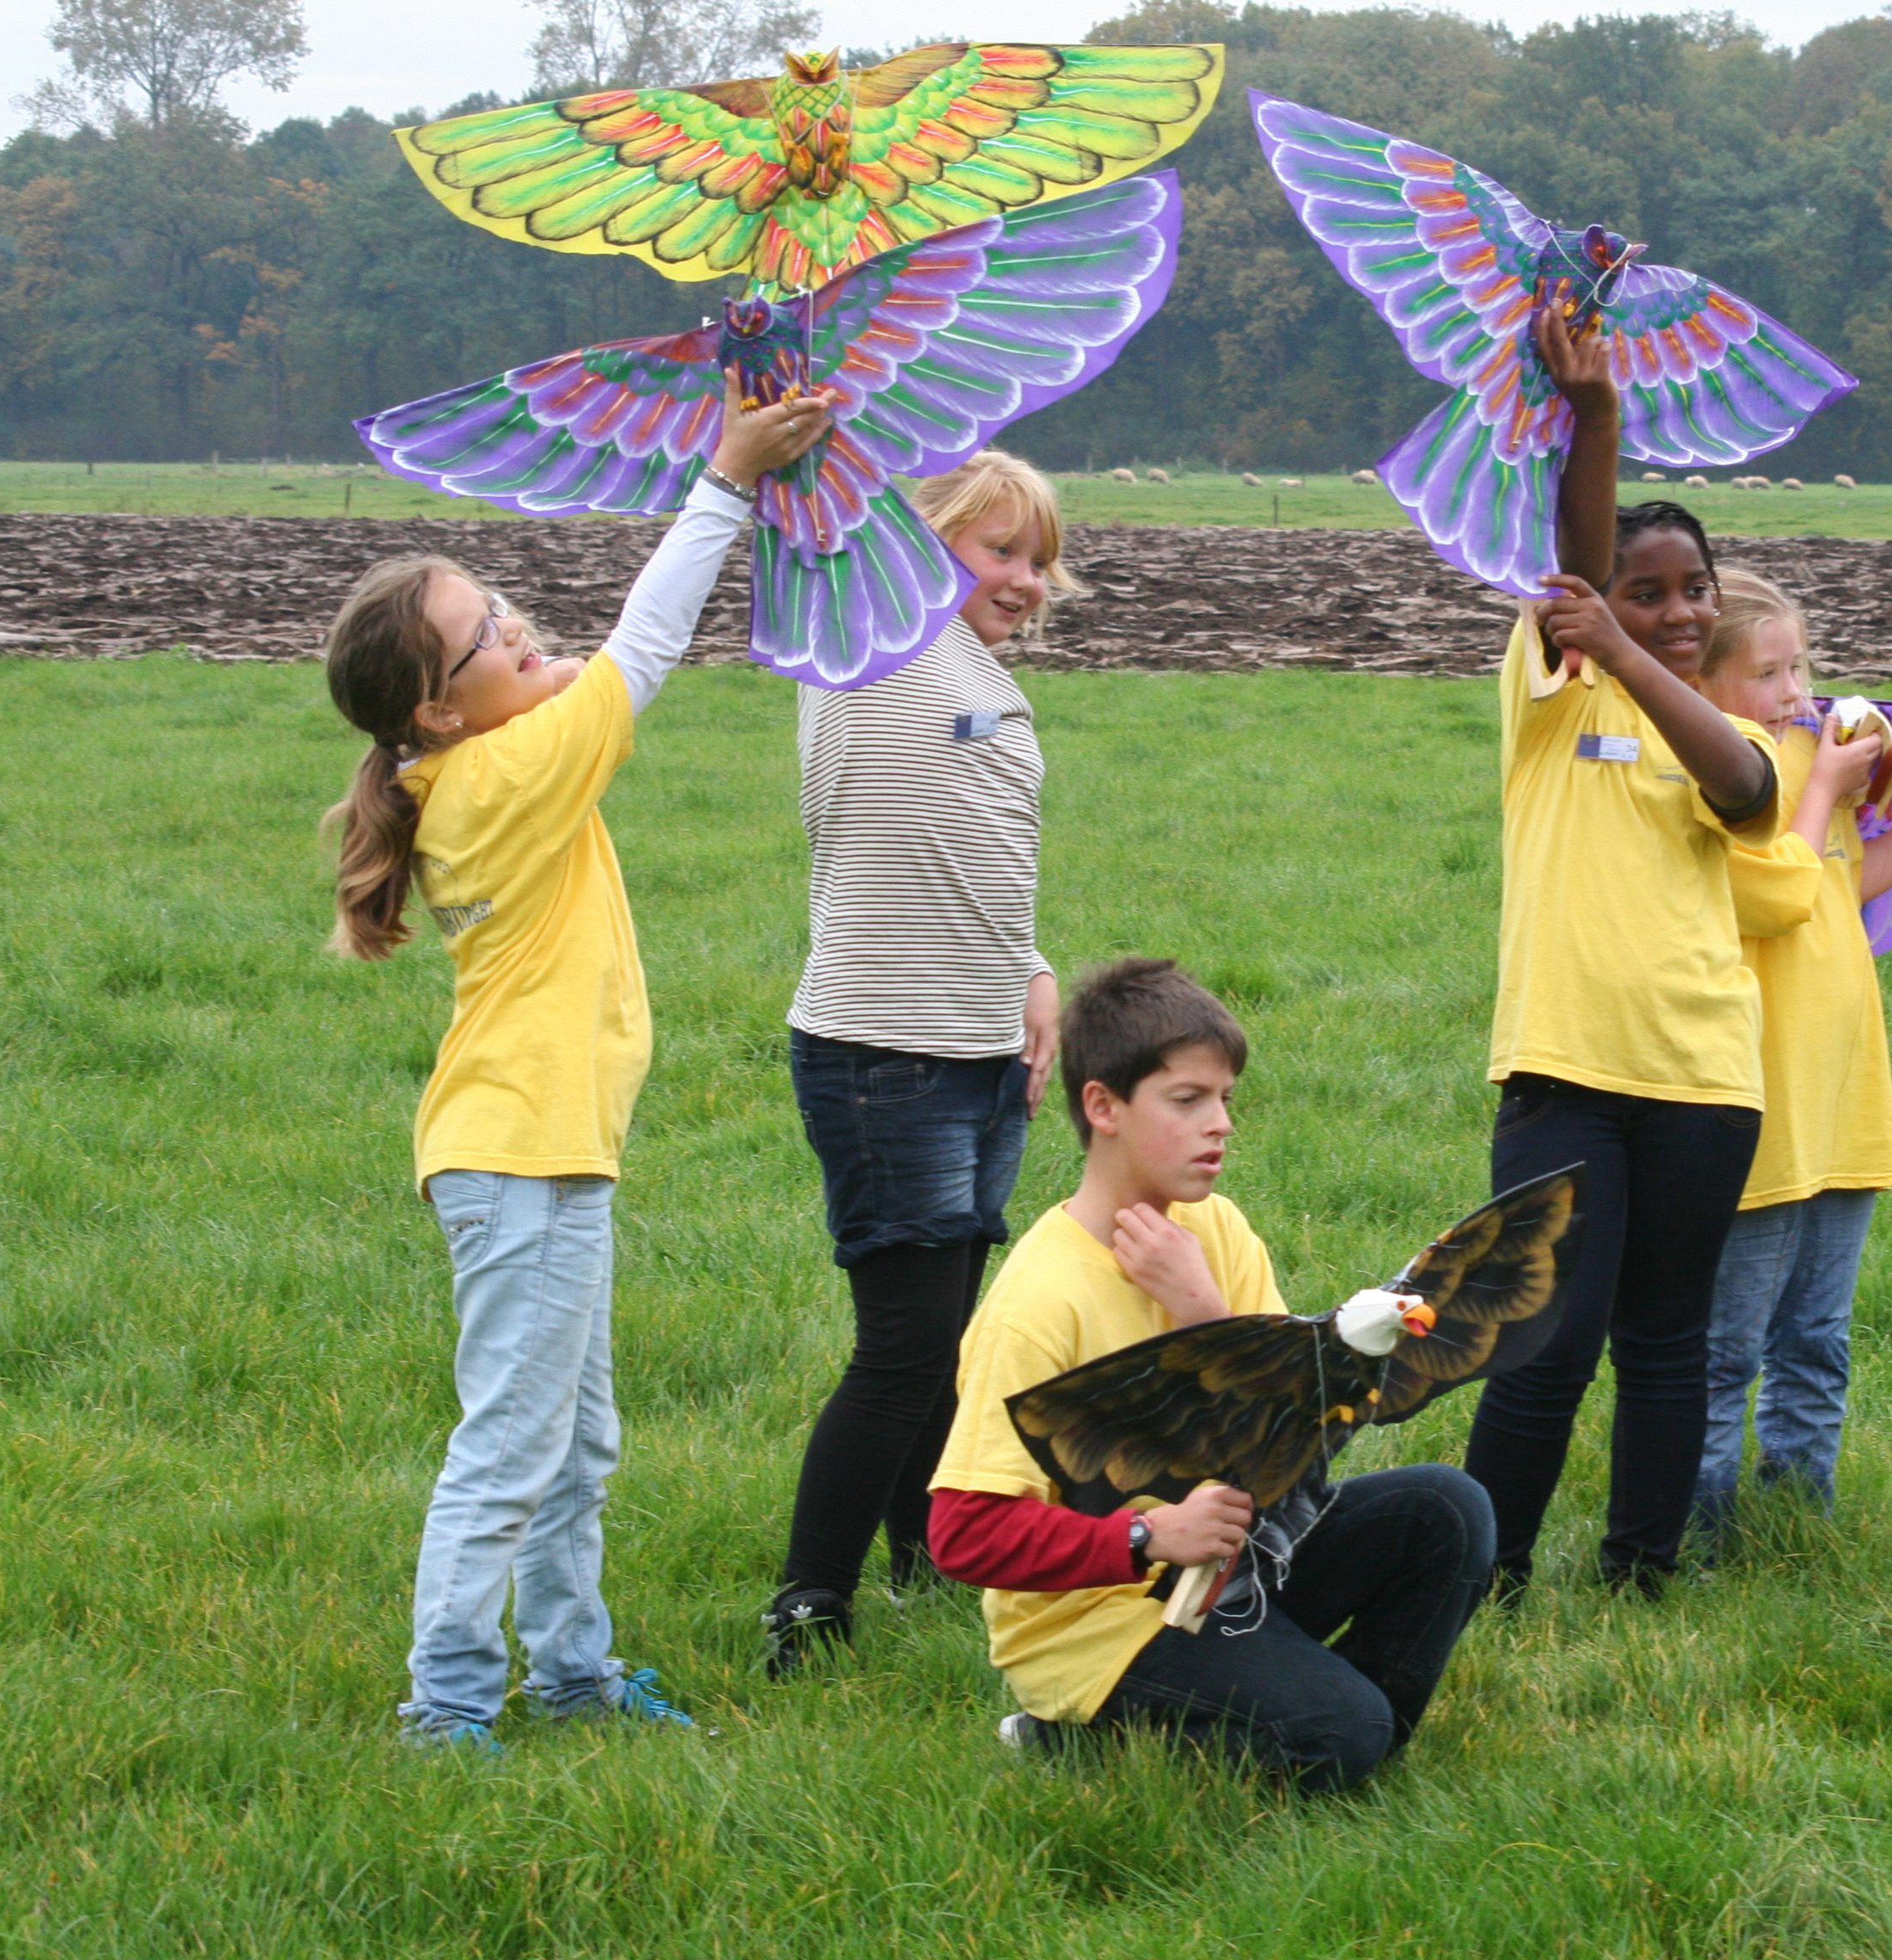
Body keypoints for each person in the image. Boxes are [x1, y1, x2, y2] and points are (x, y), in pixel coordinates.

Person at [322, 377, 833, 1750]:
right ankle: (444, 1705)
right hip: (523, 1159)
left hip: (537, 1156)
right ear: (438, 711)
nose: (515, 627)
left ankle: (572, 1674)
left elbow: (593, 663)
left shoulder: (475, 769)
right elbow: (644, 644)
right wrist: (726, 478)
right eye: (481, 636)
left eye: (495, 604)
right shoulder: (499, 777)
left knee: (572, 1441)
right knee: (511, 1445)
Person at [926, 959, 1496, 1792]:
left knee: (1446, 1508)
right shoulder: (1040, 1302)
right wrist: (1147, 1537)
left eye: (1225, 1098)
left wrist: (1206, 1317)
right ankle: (1080, 1733)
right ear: (1103, 1107)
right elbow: (964, 1534)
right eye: (1188, 1099)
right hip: (1103, 1627)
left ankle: (1327, 1721)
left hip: (1232, 1566)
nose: (1220, 1124)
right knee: (1341, 1730)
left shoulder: (1215, 1230)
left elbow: (1289, 1443)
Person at [1458, 306, 1793, 1601]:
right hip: (1567, 1069)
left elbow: (1748, 798)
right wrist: (1595, 413)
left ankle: (1643, 1574)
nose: (1673, 610)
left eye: (1693, 589)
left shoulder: (1724, 731)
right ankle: (1485, 1572)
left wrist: (1635, 650)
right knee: (1543, 1336)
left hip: (1705, 1077)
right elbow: (1576, 582)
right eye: (1642, 591)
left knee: (1666, 1341)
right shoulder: (1556, 693)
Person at [763, 451, 1085, 1671]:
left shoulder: (976, 673)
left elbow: (964, 849)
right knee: (902, 1353)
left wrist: (1030, 969)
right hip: (885, 1055)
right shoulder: (868, 646)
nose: (1028, 579)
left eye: (1039, 559)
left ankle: (929, 1563)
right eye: (1000, 550)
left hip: (982, 1052)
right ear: (911, 545)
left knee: (945, 1341)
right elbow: (824, 517)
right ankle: (808, 1609)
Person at [1685, 571, 1892, 1542]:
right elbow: (1767, 894)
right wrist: (1820, 785)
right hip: (1759, 1095)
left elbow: (1840, 884)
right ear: (1699, 682)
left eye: (1800, 668)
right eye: (1767, 673)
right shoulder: (1719, 773)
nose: (1794, 691)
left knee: (1817, 1334)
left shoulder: (1815, 755)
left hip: (1842, 1091)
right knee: (1726, 1346)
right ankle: (1697, 1528)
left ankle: (1798, 1515)